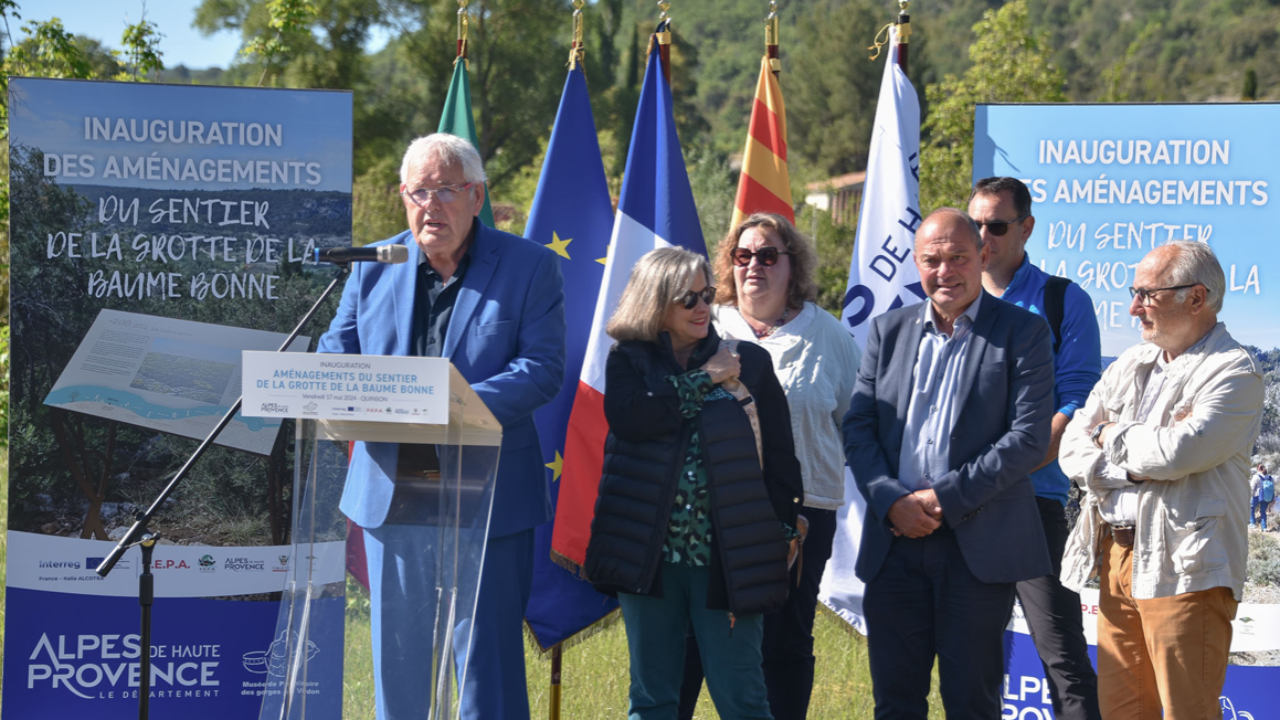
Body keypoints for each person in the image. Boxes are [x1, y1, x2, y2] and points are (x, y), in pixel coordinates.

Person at [317, 133, 566, 720]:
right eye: (418, 191)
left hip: (490, 492)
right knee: (398, 661)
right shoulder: (374, 266)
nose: (430, 205)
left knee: (486, 670)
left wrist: (444, 406)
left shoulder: (530, 267)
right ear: (403, 197)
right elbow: (337, 352)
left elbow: (541, 369)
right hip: (391, 484)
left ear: (477, 195)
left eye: (446, 190)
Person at [842, 208, 1055, 719]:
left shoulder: (1024, 333)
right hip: (894, 546)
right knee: (895, 702)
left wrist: (942, 498)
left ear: (982, 255)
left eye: (958, 257)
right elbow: (859, 426)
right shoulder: (886, 332)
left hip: (977, 549)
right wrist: (891, 500)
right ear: (916, 264)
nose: (946, 272)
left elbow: (1027, 439)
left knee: (970, 702)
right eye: (932, 260)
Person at [583, 247, 803, 720]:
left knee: (742, 696)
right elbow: (634, 418)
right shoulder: (629, 361)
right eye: (688, 298)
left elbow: (781, 460)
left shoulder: (751, 363)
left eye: (707, 294)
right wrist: (705, 378)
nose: (703, 307)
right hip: (649, 557)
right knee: (652, 697)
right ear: (655, 301)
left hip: (729, 558)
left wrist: (783, 532)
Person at [1059, 241, 1264, 720]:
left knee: (1185, 711)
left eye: (1148, 295)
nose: (1134, 308)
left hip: (1187, 568)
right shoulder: (1132, 362)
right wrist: (1132, 456)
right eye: (1135, 293)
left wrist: (1108, 433)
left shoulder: (1234, 370)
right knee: (1122, 711)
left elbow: (1177, 452)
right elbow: (1073, 444)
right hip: (1116, 557)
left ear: (1196, 298)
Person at [675, 213, 861, 720]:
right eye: (742, 255)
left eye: (767, 255)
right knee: (690, 640)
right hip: (706, 513)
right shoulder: (702, 325)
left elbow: (856, 423)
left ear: (792, 264)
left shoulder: (832, 337)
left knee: (784, 642)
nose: (753, 265)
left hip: (800, 515)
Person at [968, 177, 1103, 720]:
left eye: (996, 225)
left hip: (1030, 506)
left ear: (1026, 227)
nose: (983, 235)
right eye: (974, 222)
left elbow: (1078, 401)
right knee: (969, 657)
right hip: (961, 509)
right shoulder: (951, 298)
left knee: (1061, 655)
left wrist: (1006, 470)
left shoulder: (1062, 298)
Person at [1252, 464, 1274, 531]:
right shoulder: (1270, 477)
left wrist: (1252, 495)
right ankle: (1264, 527)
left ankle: (1252, 523)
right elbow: (1273, 488)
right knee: (1263, 511)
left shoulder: (1256, 477)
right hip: (1267, 497)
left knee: (1251, 508)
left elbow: (1252, 487)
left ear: (1258, 469)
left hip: (1257, 495)